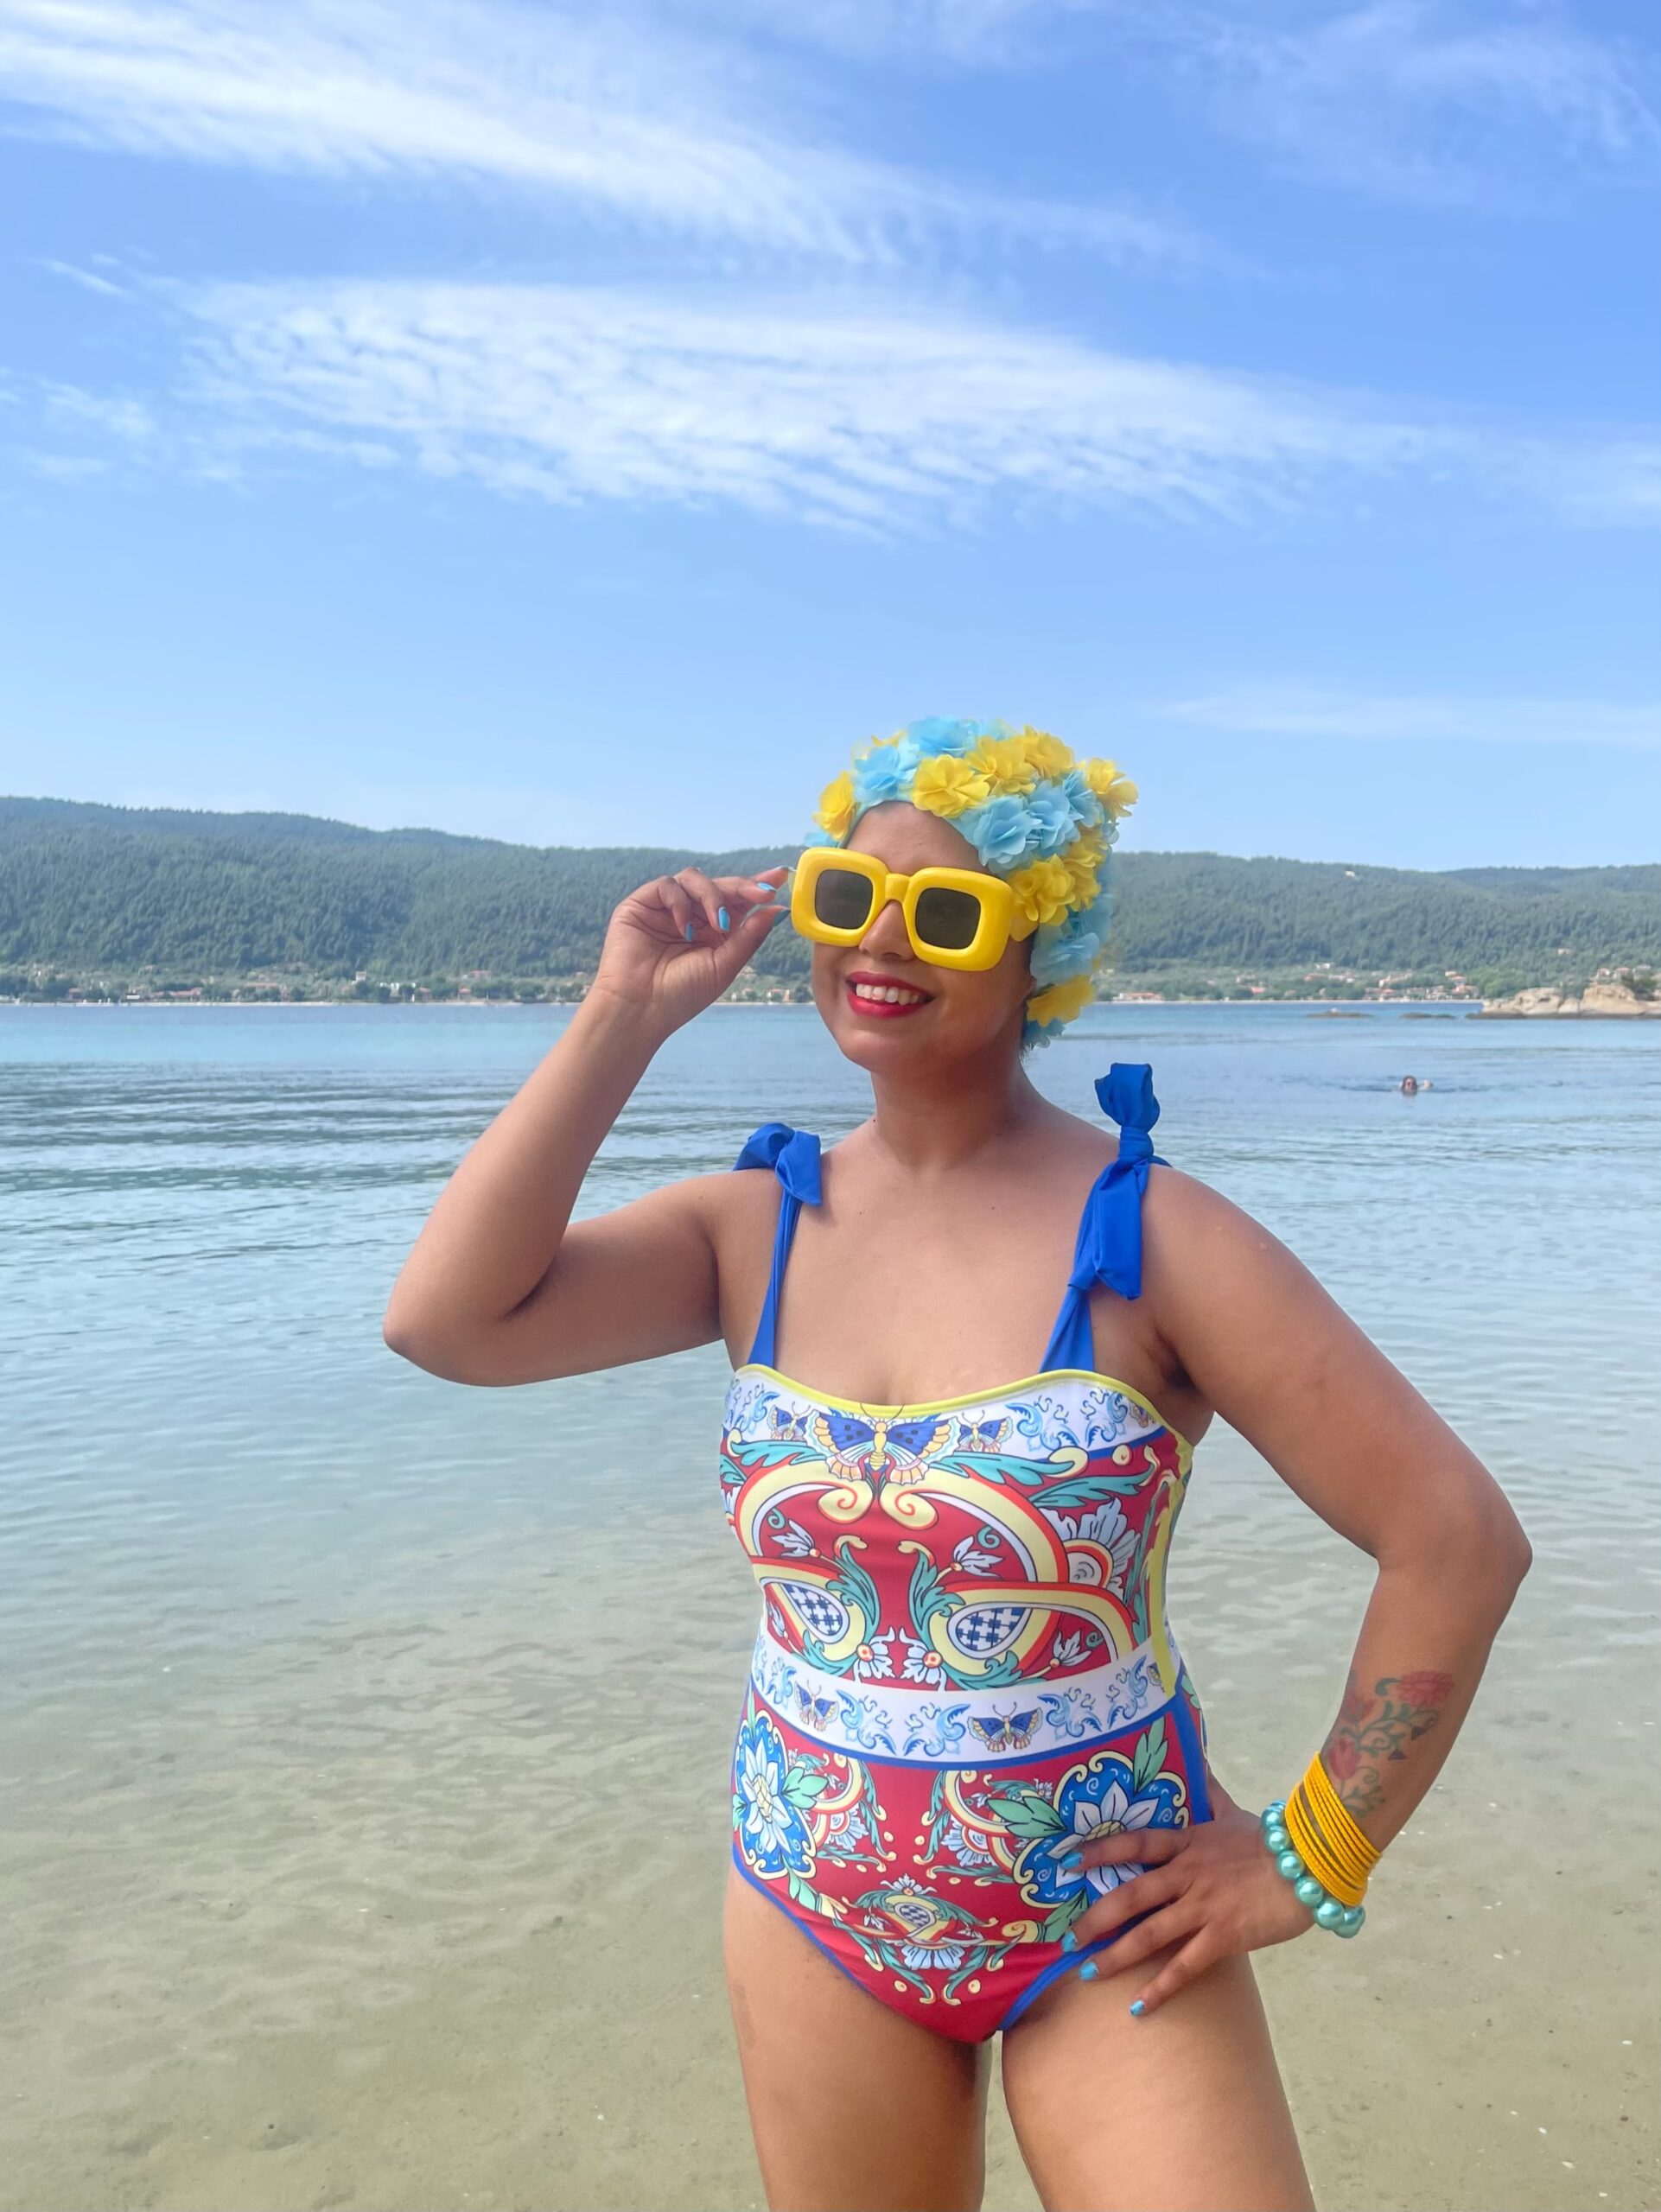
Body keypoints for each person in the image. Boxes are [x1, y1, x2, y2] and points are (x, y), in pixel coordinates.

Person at [385, 718, 1531, 2212]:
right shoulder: (755, 1229)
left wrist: (1310, 1855)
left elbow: (1452, 1536)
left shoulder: (1154, 1240)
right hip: (812, 1893)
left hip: (1102, 1912)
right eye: (846, 897)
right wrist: (621, 1016)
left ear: (1034, 948)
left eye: (945, 913)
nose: (881, 942)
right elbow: (447, 1322)